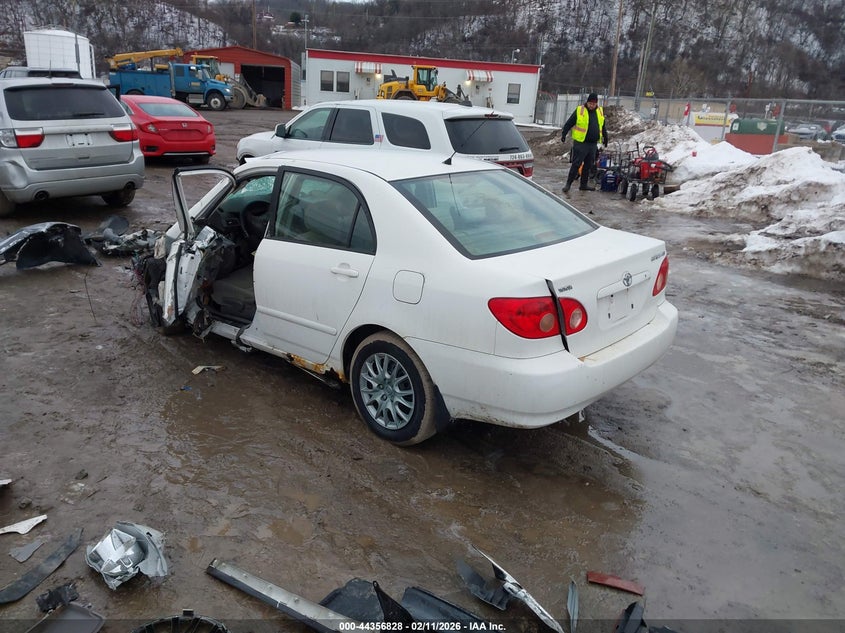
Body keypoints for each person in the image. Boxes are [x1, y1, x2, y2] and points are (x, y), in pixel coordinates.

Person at [560, 93, 608, 193]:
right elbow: (569, 123)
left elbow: (602, 126)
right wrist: (564, 134)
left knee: (588, 165)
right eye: (590, 103)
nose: (591, 106)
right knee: (576, 164)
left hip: (592, 144)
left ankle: (583, 185)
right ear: (587, 102)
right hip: (581, 143)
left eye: (593, 104)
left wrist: (605, 137)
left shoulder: (599, 111)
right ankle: (568, 184)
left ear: (596, 104)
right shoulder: (580, 110)